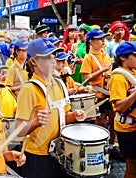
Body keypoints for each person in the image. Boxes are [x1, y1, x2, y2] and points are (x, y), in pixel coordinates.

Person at [15, 38, 86, 178]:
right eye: (48, 57)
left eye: (53, 56)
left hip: (59, 152)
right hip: (37, 155)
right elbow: (19, 130)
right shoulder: (29, 89)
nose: (53, 61)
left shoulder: (59, 85)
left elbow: (64, 116)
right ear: (34, 61)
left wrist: (74, 115)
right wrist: (36, 122)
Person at [80, 28, 121, 160]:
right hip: (97, 94)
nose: (103, 41)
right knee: (101, 123)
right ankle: (101, 148)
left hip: (109, 92)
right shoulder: (88, 57)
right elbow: (87, 78)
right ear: (91, 42)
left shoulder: (104, 54)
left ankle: (111, 146)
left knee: (114, 120)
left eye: (103, 39)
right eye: (100, 39)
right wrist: (102, 70)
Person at [109, 41, 136, 178]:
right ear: (123, 58)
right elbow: (119, 106)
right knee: (132, 165)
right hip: (128, 128)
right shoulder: (119, 77)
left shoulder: (133, 71)